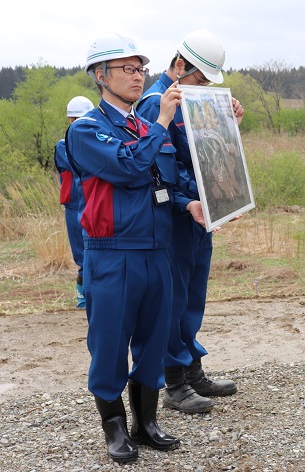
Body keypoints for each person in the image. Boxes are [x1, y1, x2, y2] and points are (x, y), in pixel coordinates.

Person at [67, 33, 203, 463]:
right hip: (112, 253)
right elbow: (128, 168)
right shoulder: (87, 130)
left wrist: (192, 203)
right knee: (109, 345)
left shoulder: (146, 129)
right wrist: (162, 122)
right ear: (100, 75)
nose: (137, 76)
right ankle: (114, 429)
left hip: (156, 250)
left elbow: (163, 183)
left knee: (152, 339)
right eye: (127, 69)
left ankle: (146, 423)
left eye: (140, 69)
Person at [137, 29, 244, 414]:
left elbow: (207, 155)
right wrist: (190, 202)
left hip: (201, 216)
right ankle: (174, 383)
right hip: (174, 219)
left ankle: (192, 369)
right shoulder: (156, 105)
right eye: (200, 79)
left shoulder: (194, 100)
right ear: (180, 66)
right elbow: (162, 169)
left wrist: (229, 123)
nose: (203, 87)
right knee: (173, 299)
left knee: (193, 298)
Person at [54, 95, 94, 309]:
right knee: (81, 252)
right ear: (70, 120)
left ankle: (92, 294)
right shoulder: (63, 146)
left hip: (93, 202)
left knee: (94, 249)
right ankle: (82, 296)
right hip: (74, 205)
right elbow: (81, 164)